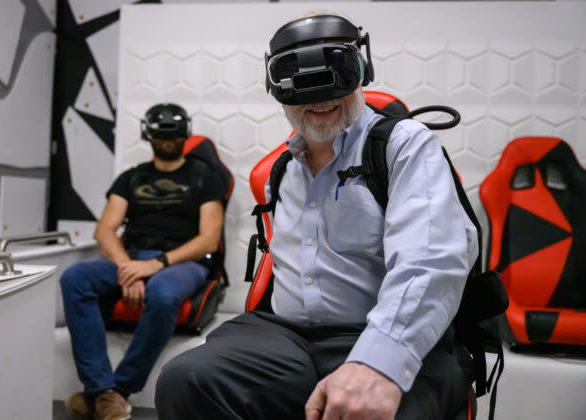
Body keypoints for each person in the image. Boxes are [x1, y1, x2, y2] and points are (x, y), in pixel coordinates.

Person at [155, 13, 478, 420]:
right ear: (275, 87)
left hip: (373, 330)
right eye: (298, 82)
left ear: (363, 70)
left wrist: (379, 362)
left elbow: (430, 260)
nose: (320, 98)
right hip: (285, 337)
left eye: (337, 73)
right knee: (185, 380)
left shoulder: (402, 146)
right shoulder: (281, 171)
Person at [60, 103, 225, 420]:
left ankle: (119, 390)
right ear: (148, 135)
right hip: (133, 258)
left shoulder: (206, 178)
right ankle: (100, 390)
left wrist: (157, 265)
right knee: (75, 278)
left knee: (162, 294)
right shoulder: (131, 178)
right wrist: (128, 270)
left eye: (173, 133)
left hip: (183, 261)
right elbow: (105, 230)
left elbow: (208, 240)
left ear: (184, 134)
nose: (166, 140)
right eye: (160, 133)